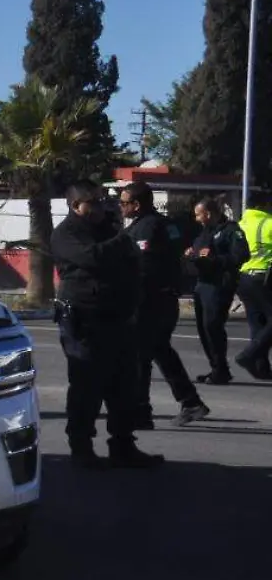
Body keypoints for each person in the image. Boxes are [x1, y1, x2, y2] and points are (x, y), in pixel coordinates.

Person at [50, 181, 161, 469]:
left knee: (124, 384)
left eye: (102, 201)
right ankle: (81, 447)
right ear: (76, 206)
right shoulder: (67, 234)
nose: (101, 207)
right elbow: (93, 257)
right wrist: (122, 241)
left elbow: (134, 263)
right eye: (93, 202)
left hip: (119, 318)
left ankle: (123, 445)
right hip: (84, 321)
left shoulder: (109, 230)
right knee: (87, 386)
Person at [118, 181, 207, 427]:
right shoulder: (166, 224)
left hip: (150, 301)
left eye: (124, 202)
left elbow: (143, 267)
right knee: (159, 351)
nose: (121, 207)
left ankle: (142, 411)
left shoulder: (148, 228)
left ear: (136, 204)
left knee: (141, 356)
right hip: (164, 299)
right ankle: (189, 402)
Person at [186, 197, 247, 384]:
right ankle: (217, 368)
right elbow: (199, 251)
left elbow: (241, 255)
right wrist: (192, 254)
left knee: (213, 325)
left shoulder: (231, 231)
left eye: (199, 215)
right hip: (202, 283)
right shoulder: (205, 232)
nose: (196, 219)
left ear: (209, 213)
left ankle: (220, 369)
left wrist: (215, 258)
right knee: (204, 328)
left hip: (219, 284)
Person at [235, 189, 272, 381]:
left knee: (257, 322)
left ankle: (261, 368)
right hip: (264, 276)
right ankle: (248, 355)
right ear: (263, 204)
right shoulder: (269, 223)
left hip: (243, 278)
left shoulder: (240, 224)